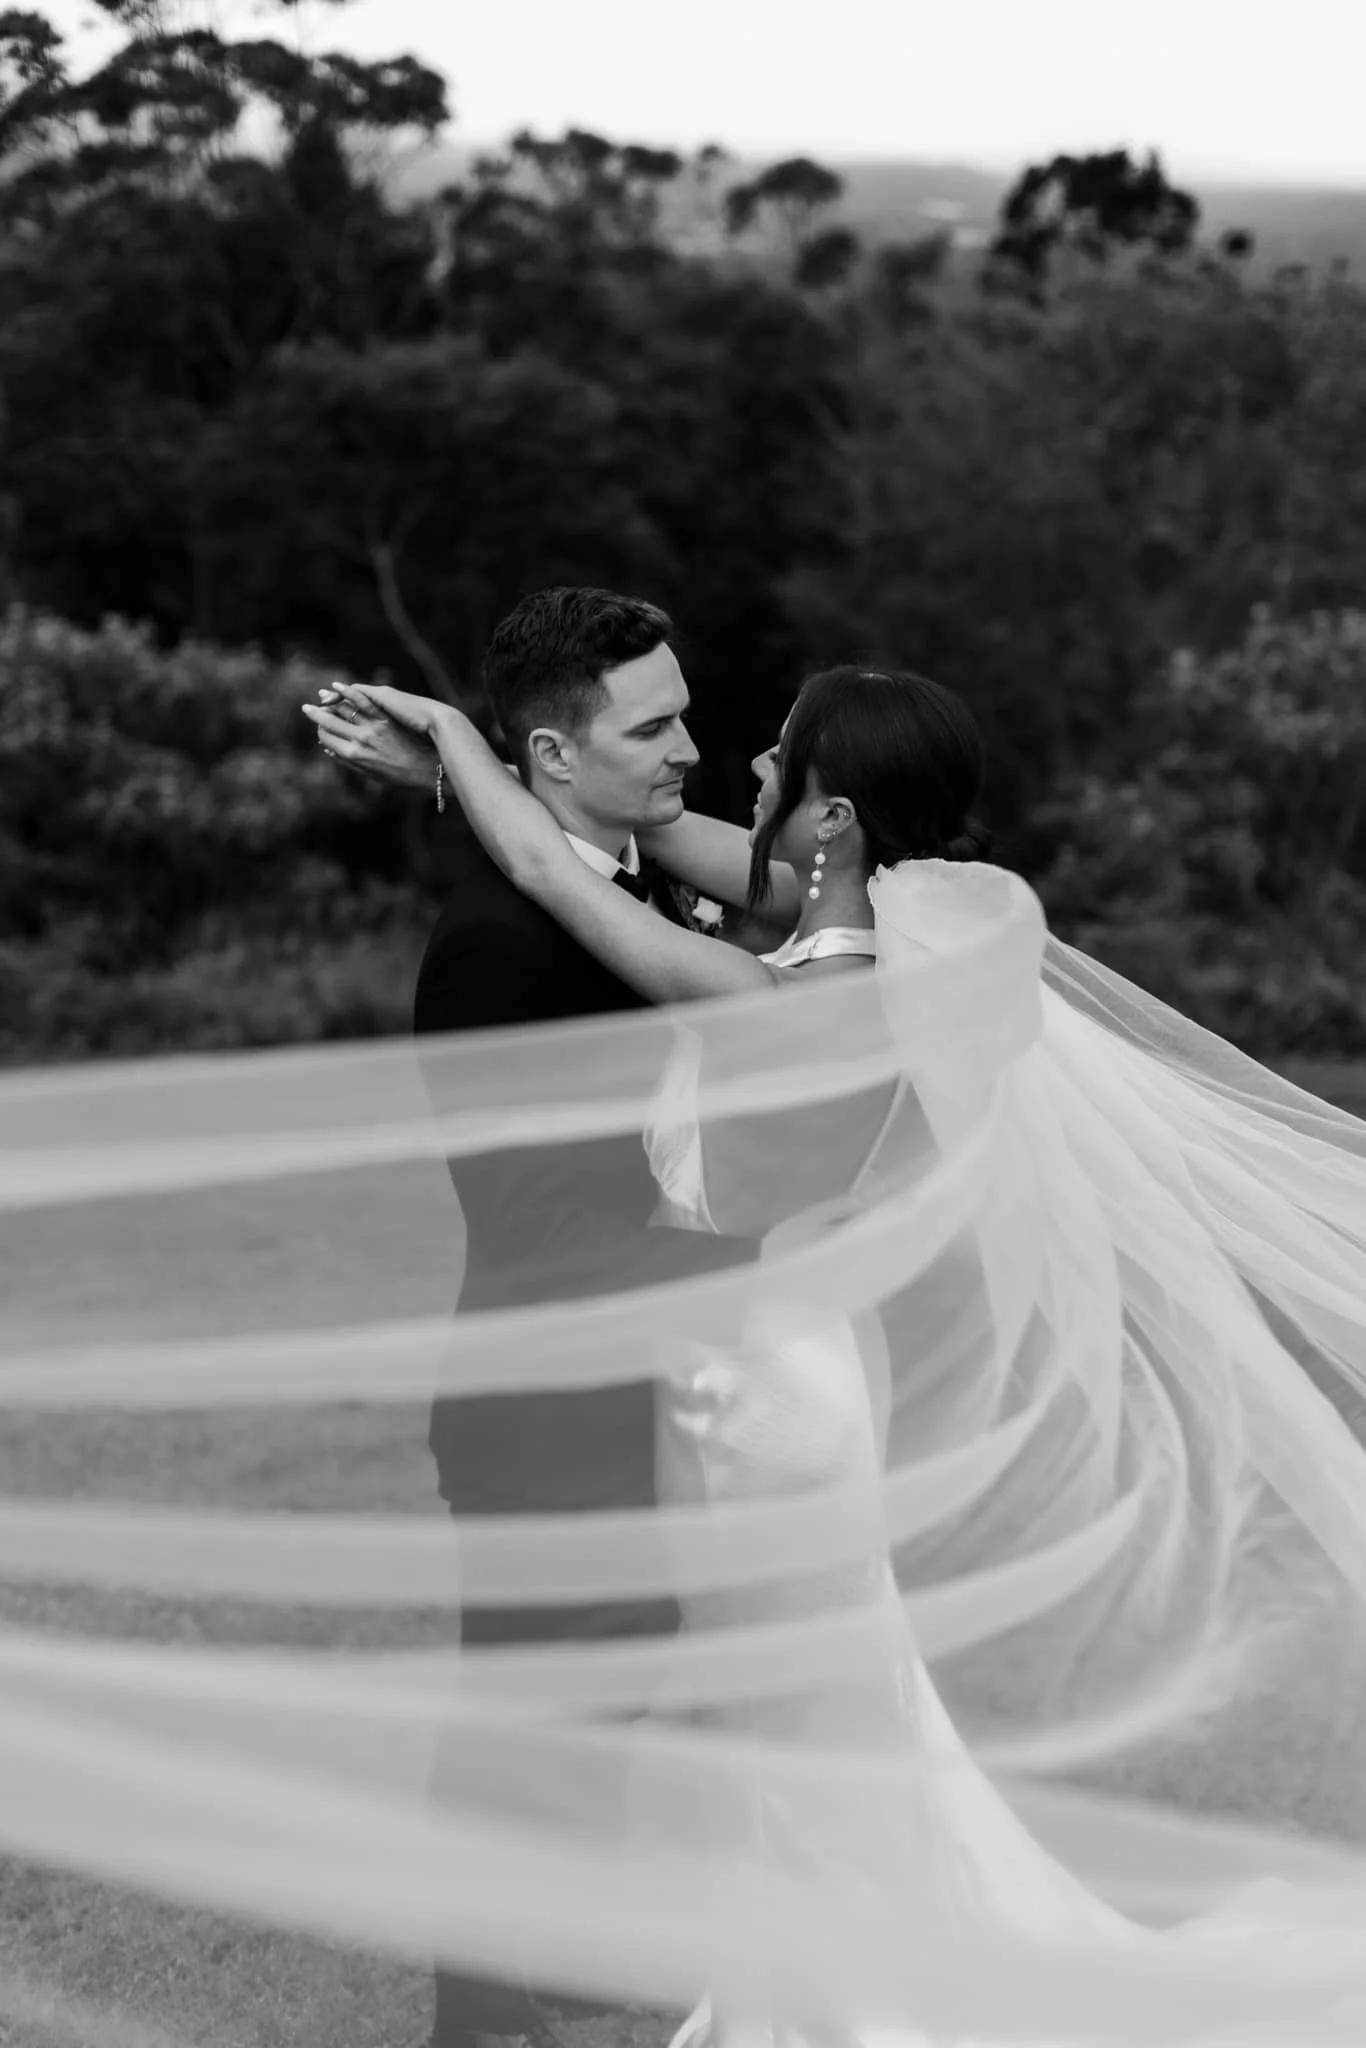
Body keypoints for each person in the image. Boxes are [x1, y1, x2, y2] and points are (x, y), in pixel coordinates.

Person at [307, 655, 1366, 2047]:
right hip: (790, 1351)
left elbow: (566, 880)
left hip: (737, 1372)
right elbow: (645, 842)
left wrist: (455, 732)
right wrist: (486, 770)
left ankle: (840, 2000)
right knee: (806, 1700)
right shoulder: (922, 923)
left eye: (778, 763)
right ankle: (790, 1967)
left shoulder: (810, 995)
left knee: (790, 1714)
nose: (740, 770)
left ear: (837, 818)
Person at [308, 587, 757, 2048]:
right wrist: (741, 1278)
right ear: (553, 760)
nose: (689, 744)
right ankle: (478, 2018)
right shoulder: (497, 946)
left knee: (612, 1706)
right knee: (527, 1725)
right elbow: (536, 1223)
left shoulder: (652, 885)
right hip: (549, 1393)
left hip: (657, 1378)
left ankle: (556, 1957)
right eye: (655, 725)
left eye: (685, 710)